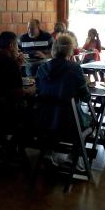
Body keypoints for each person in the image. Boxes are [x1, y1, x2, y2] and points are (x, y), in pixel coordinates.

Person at [35, 34, 91, 168]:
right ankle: (73, 158)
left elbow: (38, 90)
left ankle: (48, 153)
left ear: (54, 49)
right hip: (68, 122)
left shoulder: (42, 68)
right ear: (70, 50)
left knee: (53, 112)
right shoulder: (74, 68)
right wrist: (84, 85)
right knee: (91, 123)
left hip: (43, 119)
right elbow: (85, 97)